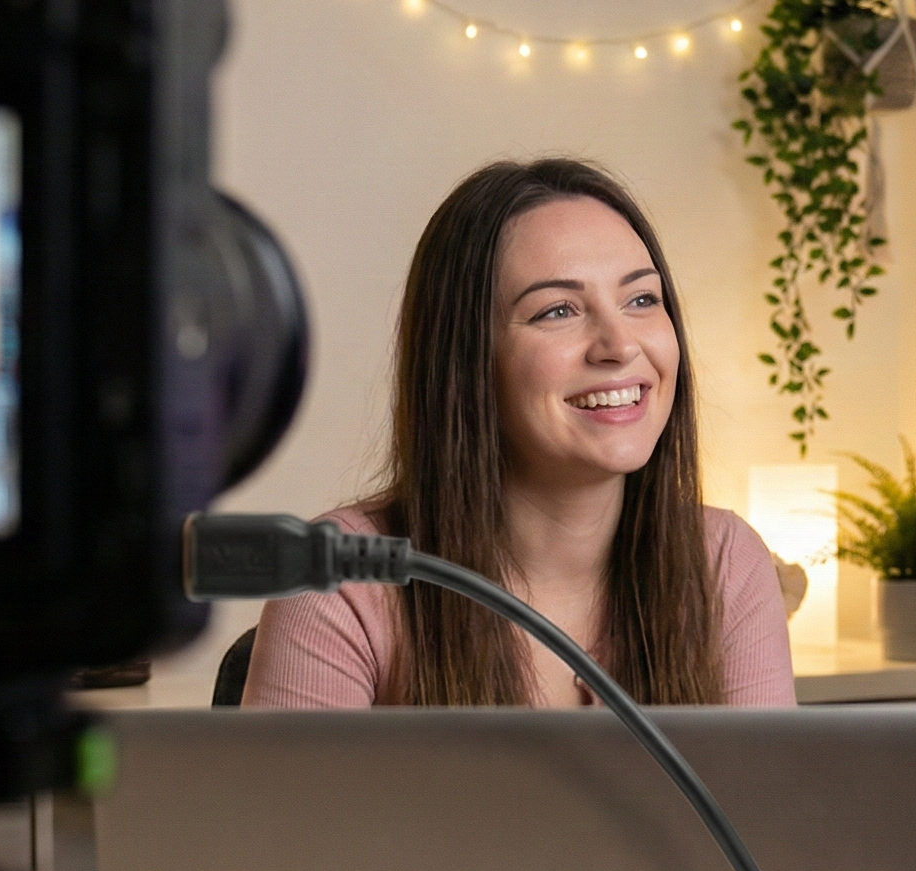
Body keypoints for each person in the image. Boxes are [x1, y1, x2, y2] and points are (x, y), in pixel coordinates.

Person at [245, 158, 795, 707]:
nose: (621, 345)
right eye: (558, 310)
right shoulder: (338, 586)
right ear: (465, 360)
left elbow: (768, 796)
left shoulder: (724, 562)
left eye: (642, 300)